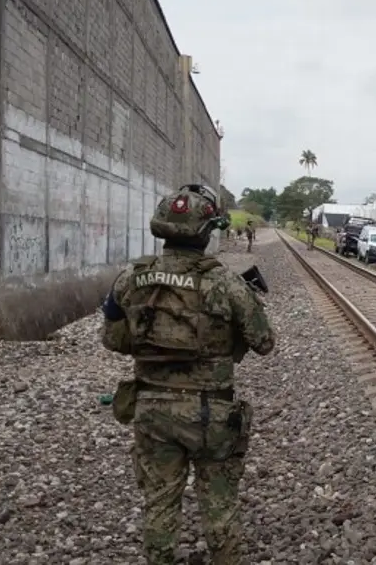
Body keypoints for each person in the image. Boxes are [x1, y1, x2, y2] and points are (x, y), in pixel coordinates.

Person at [99, 184, 276, 564]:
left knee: (160, 504)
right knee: (220, 507)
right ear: (207, 230)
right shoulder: (226, 283)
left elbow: (113, 339)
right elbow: (264, 342)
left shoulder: (131, 278)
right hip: (212, 413)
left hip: (151, 408)